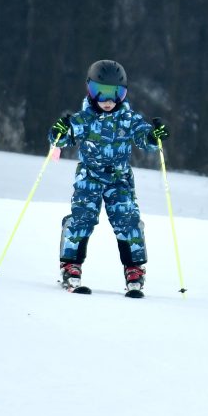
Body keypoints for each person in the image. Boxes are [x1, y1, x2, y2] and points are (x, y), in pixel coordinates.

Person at [49, 60, 169, 295]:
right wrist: (59, 132)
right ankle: (71, 265)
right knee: (82, 218)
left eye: (116, 94)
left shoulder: (128, 119)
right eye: (101, 93)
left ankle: (134, 270)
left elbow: (144, 137)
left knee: (128, 219)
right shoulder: (84, 119)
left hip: (119, 179)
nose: (108, 101)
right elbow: (61, 141)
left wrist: (155, 136)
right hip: (89, 177)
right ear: (90, 91)